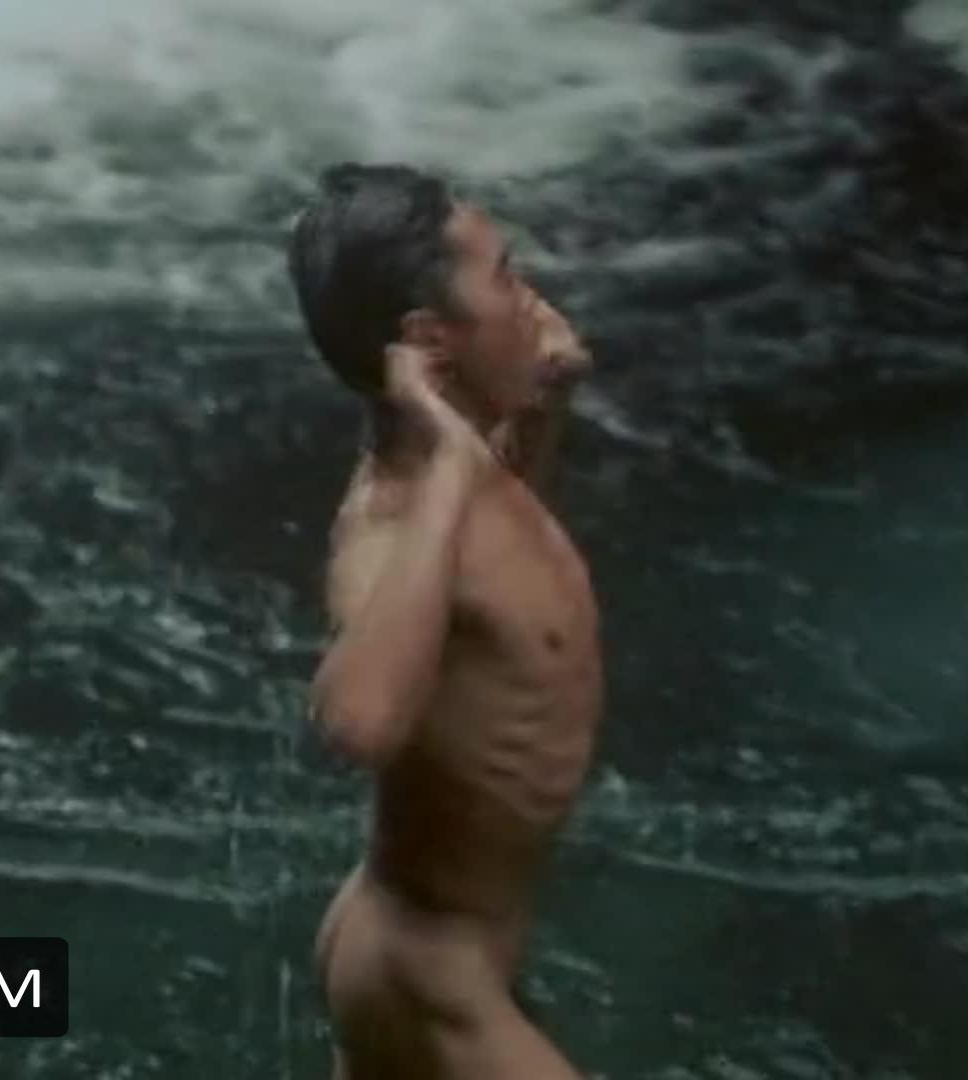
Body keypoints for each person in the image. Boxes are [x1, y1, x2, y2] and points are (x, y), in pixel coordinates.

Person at [286, 162, 603, 1079]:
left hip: (456, 948)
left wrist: (540, 409)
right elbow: (359, 720)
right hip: (423, 974)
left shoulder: (453, 480)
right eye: (505, 276)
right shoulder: (393, 524)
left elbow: (487, 587)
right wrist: (461, 464)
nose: (528, 295)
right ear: (431, 340)